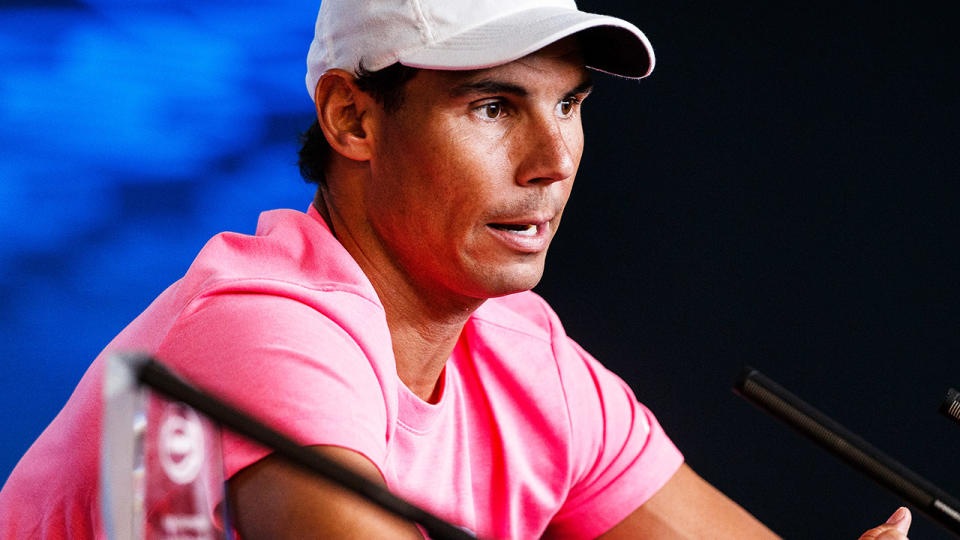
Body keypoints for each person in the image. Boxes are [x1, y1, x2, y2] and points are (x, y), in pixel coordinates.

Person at [0, 1, 914, 538]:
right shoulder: (258, 326)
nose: (553, 158)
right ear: (353, 120)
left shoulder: (523, 354)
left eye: (570, 103)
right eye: (492, 105)